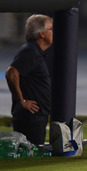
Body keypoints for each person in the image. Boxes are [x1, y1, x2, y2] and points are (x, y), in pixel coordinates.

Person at [5, 15, 53, 145]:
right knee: (31, 156)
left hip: (35, 116)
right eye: (51, 28)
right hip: (30, 118)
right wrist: (22, 101)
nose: (54, 32)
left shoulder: (35, 51)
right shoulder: (30, 51)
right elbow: (11, 73)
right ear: (41, 34)